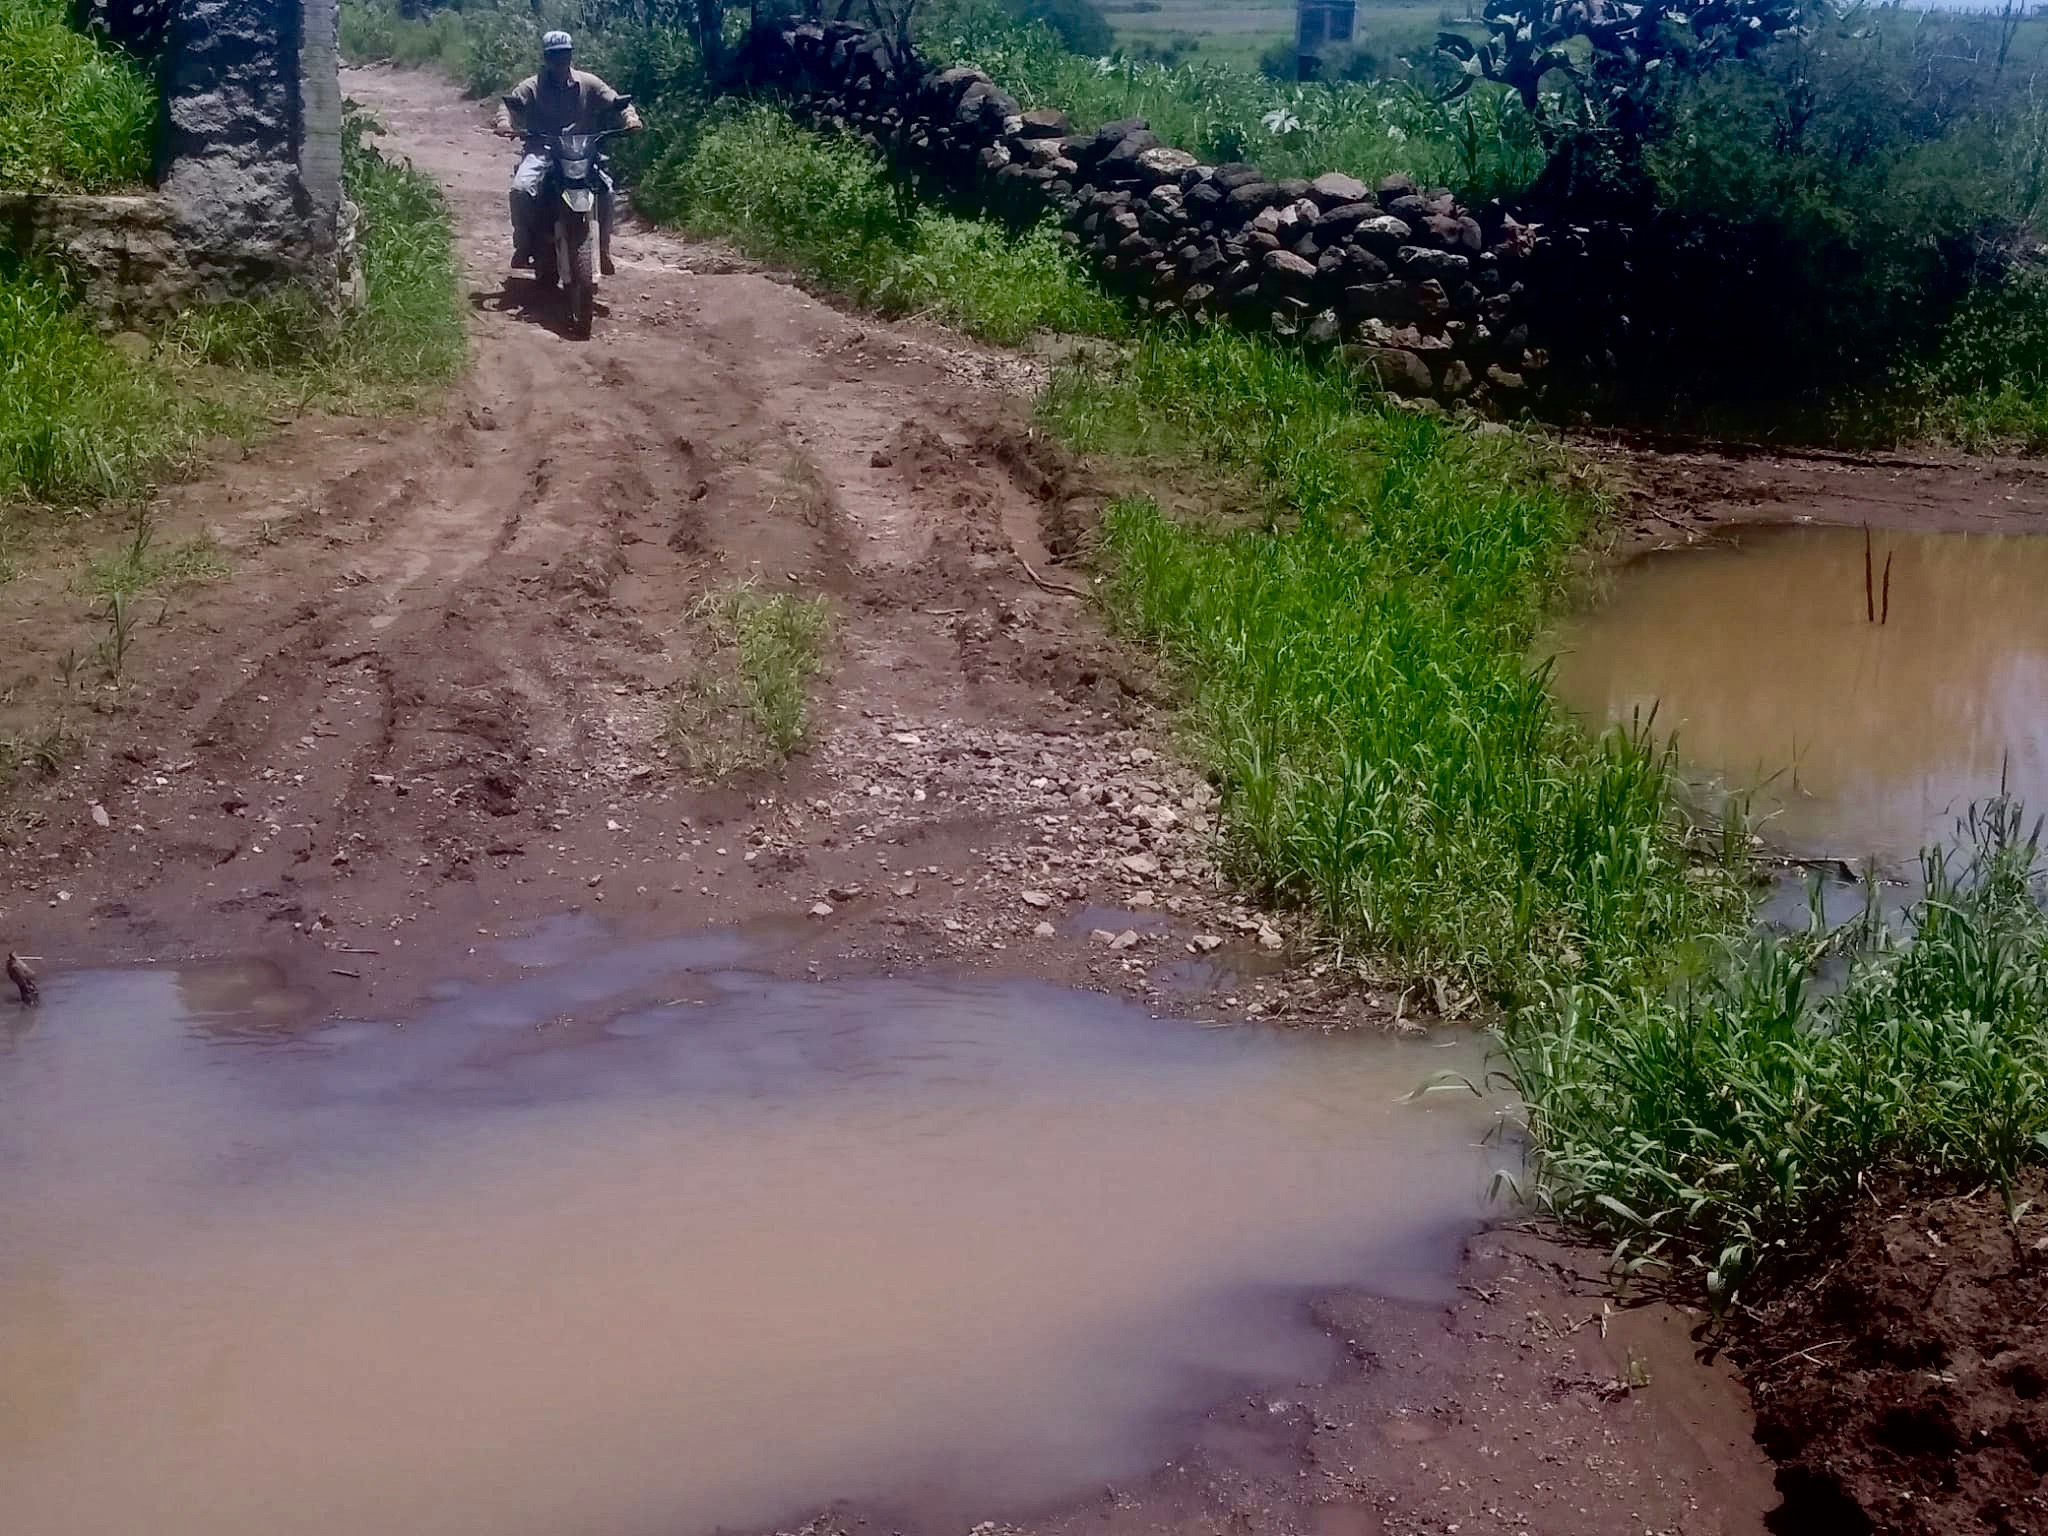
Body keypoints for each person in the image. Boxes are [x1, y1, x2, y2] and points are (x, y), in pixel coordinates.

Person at [493, 31, 642, 276]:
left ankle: (603, 250)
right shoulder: (531, 86)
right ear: (546, 57)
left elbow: (618, 102)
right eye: (554, 55)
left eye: (564, 54)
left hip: (582, 151)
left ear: (571, 54)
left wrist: (631, 119)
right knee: (520, 190)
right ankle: (523, 245)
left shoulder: (589, 83)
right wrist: (504, 123)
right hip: (542, 149)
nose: (560, 60)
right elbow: (508, 105)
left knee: (606, 191)